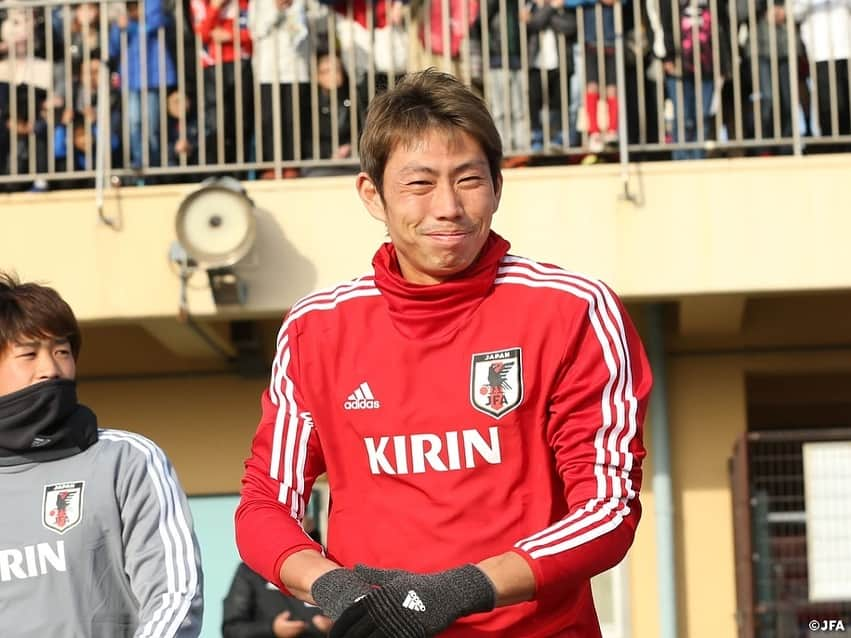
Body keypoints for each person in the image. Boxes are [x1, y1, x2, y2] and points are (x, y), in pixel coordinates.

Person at [236, 68, 651, 637]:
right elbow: (265, 503)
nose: (448, 206)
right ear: (372, 194)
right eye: (419, 183)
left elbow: (606, 510)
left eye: (468, 180)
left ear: (498, 187)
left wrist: (459, 590)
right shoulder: (317, 329)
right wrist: (336, 587)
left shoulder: (573, 310)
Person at [0, 272, 203, 637]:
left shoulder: (126, 460)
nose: (50, 369)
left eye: (62, 352)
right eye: (28, 354)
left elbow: (175, 597)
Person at [223, 518, 333, 638]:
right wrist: (272, 629)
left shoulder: (327, 562)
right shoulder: (251, 571)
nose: (296, 520)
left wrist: (334, 627)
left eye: (301, 513)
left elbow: (352, 612)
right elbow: (232, 629)